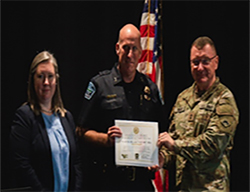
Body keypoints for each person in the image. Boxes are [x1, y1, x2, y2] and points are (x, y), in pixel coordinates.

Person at [76, 23, 166, 191]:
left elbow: (162, 131)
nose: (130, 54)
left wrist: (160, 156)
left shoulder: (150, 89)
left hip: (141, 183)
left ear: (141, 52)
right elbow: (81, 131)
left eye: (134, 49)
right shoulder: (100, 85)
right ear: (117, 48)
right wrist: (105, 139)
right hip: (108, 181)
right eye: (126, 48)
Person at [157, 36, 239, 191]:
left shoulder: (224, 99)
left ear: (216, 62)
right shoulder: (183, 98)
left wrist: (175, 146)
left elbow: (212, 145)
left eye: (205, 61)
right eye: (195, 62)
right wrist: (162, 158)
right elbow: (173, 141)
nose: (200, 67)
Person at [9, 51, 82, 191]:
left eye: (50, 76)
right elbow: (22, 165)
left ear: (56, 80)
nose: (46, 82)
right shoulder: (24, 117)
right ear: (32, 80)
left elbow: (76, 163)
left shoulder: (67, 118)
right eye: (40, 76)